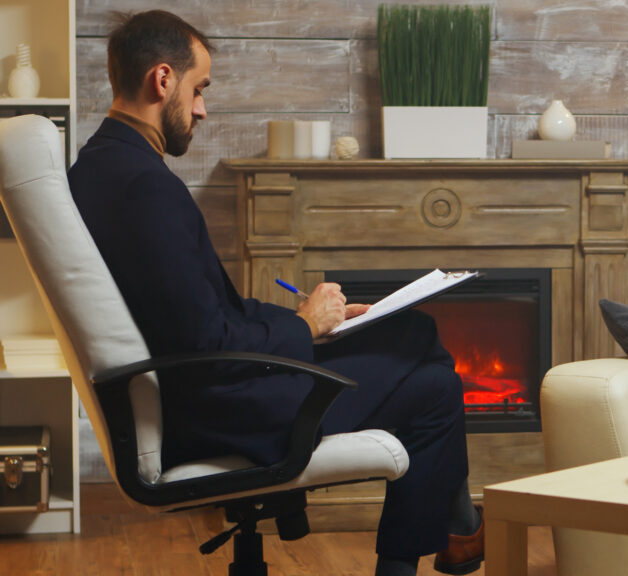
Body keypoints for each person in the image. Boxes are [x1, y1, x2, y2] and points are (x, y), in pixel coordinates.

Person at [67, 10, 482, 576]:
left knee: (417, 338)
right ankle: (456, 529)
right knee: (433, 375)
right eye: (198, 89)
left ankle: (458, 528)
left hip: (197, 390)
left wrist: (313, 319)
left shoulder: (98, 168)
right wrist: (304, 326)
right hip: (222, 409)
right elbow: (207, 340)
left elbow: (204, 316)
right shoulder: (146, 187)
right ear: (162, 80)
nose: (201, 109)